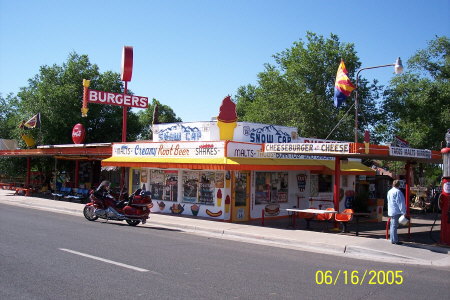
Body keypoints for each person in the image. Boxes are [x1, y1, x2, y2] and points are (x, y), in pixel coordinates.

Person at [387, 179, 407, 245]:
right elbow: (401, 202)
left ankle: (392, 239)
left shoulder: (389, 191)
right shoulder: (398, 192)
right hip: (396, 211)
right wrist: (404, 212)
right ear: (399, 185)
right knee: (394, 226)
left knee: (392, 226)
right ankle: (395, 240)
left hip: (391, 211)